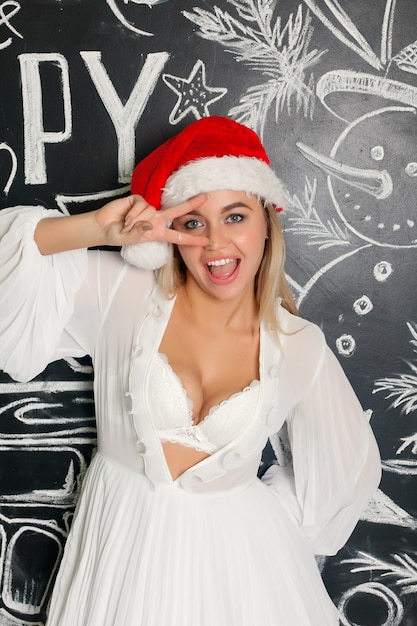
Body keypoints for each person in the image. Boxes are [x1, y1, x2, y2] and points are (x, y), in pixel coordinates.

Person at [0, 116, 380, 626]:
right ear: (171, 233)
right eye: (194, 222)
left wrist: (262, 523)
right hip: (121, 560)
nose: (217, 244)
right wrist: (98, 228)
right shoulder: (122, 293)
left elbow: (347, 471)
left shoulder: (299, 347)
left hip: (244, 579)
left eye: (236, 216)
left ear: (267, 221)